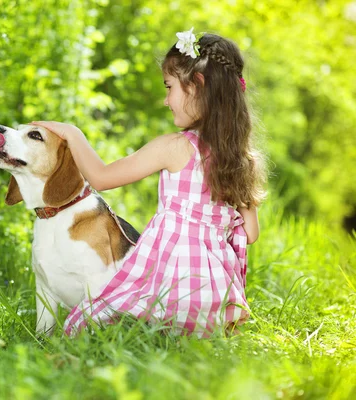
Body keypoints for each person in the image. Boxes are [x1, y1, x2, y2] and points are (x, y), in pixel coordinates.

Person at [31, 28, 267, 338]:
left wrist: (73, 134)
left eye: (169, 87)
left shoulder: (175, 147)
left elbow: (101, 177)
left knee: (87, 320)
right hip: (217, 300)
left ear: (197, 86)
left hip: (172, 289)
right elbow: (250, 234)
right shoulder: (240, 159)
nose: (167, 100)